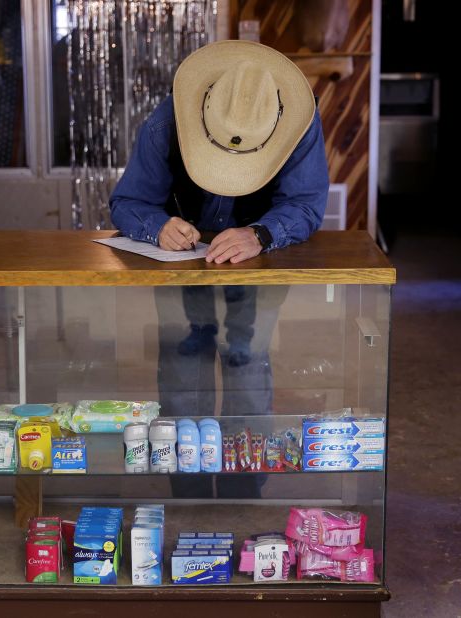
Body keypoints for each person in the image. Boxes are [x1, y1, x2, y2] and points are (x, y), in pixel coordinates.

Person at [109, 40, 329, 497]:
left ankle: (242, 489)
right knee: (183, 364)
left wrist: (262, 233)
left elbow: (306, 204)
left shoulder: (296, 121)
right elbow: (128, 201)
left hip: (259, 265)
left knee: (246, 362)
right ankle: (186, 488)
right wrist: (157, 226)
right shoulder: (167, 119)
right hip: (182, 267)